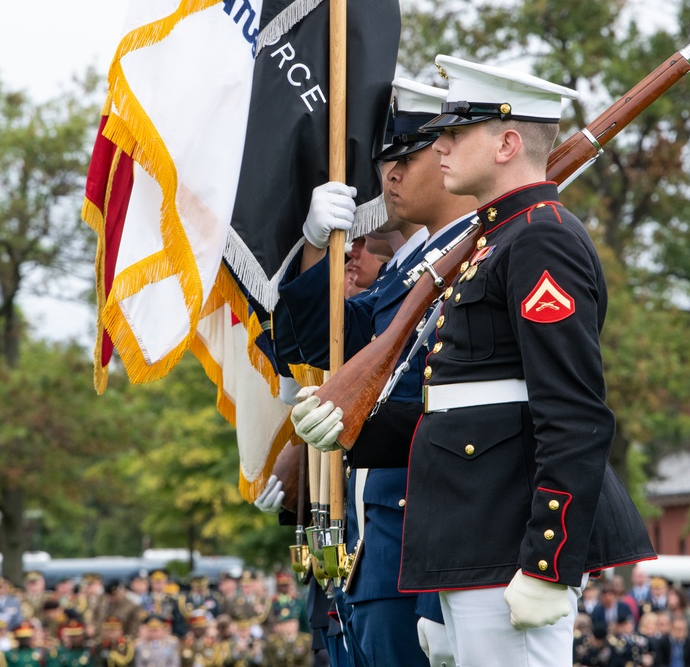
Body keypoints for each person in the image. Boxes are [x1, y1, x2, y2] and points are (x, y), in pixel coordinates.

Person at [372, 54, 656, 665]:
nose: (438, 147)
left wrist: (547, 562)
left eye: (454, 133)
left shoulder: (539, 238)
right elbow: (459, 402)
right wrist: (349, 429)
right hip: (475, 529)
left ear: (506, 142)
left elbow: (574, 412)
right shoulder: (498, 239)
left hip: (509, 540)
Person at [282, 77, 477, 666]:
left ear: (449, 155)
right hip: (374, 550)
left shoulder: (481, 253)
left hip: (422, 548)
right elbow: (324, 340)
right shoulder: (409, 269)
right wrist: (315, 246)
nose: (388, 175)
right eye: (384, 161)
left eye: (407, 157)